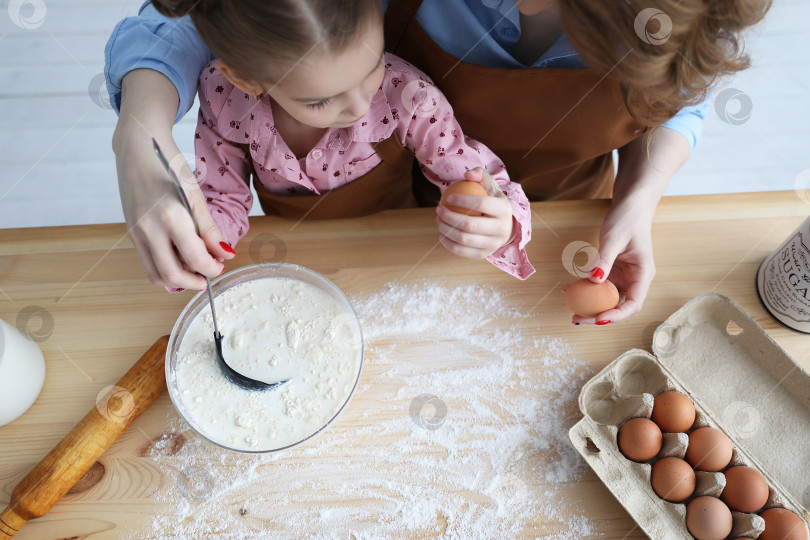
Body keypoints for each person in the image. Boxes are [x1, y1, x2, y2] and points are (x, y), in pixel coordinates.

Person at [106, 0, 770, 322]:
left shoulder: (680, 20)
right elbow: (232, 20)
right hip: (388, 217)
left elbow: (679, 99)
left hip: (562, 221)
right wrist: (139, 133)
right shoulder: (246, 88)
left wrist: (639, 197)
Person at [146, 0, 533, 285]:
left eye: (371, 67)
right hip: (292, 262)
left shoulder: (408, 95)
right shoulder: (225, 97)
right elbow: (221, 197)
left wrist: (499, 221)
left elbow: (473, 176)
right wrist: (200, 243)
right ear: (246, 81)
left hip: (396, 259)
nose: (361, 105)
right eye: (320, 100)